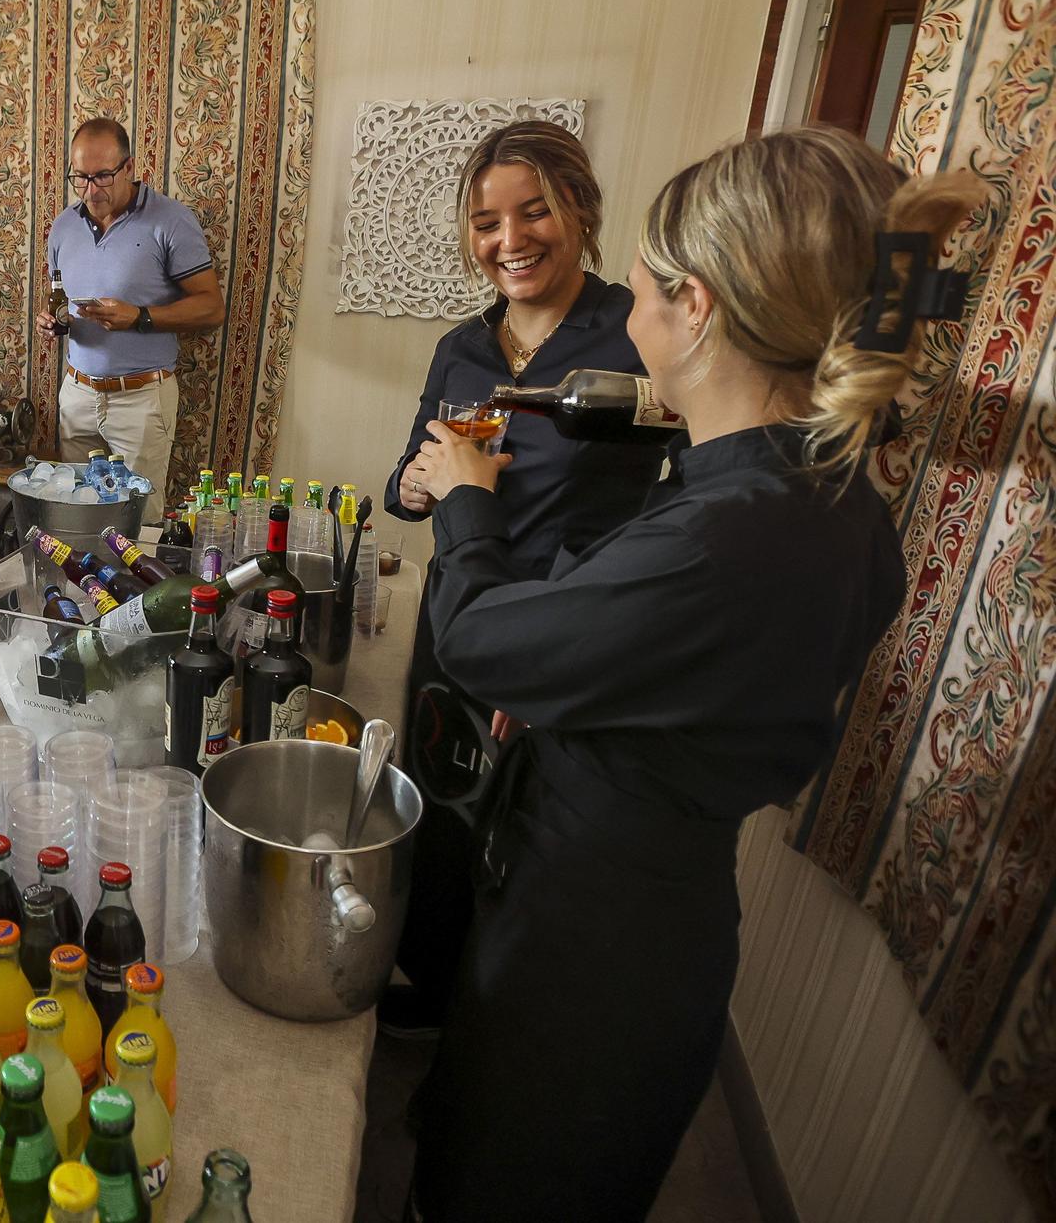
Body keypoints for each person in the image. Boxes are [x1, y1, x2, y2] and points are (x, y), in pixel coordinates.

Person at [400, 127, 977, 1220]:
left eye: (652, 290)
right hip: (634, 908)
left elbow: (476, 635)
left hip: (588, 958)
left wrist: (469, 497)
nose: (630, 314)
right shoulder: (821, 497)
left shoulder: (728, 534)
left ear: (697, 307)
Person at [379, 121, 667, 1034]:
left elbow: (665, 515)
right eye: (487, 221)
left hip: (559, 631)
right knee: (437, 813)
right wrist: (421, 484)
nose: (511, 241)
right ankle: (425, 997)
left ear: (579, 208)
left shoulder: (633, 336)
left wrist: (563, 665)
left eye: (534, 211)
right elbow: (405, 479)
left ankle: (495, 1034)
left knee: (526, 845)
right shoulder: (463, 344)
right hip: (458, 618)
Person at [35, 118, 223, 519]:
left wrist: (139, 316)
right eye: (80, 178)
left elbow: (211, 307)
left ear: (130, 168)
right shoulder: (64, 226)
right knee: (77, 513)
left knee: (137, 521)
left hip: (141, 399)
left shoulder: (170, 220)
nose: (91, 190)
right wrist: (56, 322)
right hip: (77, 393)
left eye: (102, 176)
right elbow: (60, 297)